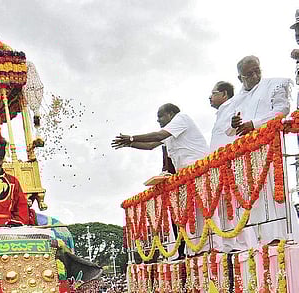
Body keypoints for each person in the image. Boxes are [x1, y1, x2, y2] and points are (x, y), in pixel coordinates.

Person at [112, 103, 210, 257]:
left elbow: (158, 136)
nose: (158, 120)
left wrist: (131, 137)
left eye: (160, 116)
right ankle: (195, 248)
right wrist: (130, 144)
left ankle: (209, 246)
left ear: (171, 114)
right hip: (185, 176)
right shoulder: (170, 132)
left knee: (203, 210)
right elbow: (151, 145)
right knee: (190, 214)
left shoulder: (181, 119)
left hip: (200, 170)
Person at [229, 55, 296, 245]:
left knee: (274, 189)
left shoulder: (275, 84)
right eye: (249, 74)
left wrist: (255, 124)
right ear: (240, 78)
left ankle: (281, 235)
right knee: (254, 195)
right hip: (247, 152)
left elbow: (282, 109)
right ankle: (262, 239)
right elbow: (231, 129)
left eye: (257, 70)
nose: (255, 76)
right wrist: (234, 124)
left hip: (269, 146)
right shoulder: (237, 99)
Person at [208, 81, 256, 252]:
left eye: (213, 93)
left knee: (237, 203)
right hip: (218, 166)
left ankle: (243, 245)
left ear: (224, 94)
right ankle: (229, 244)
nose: (209, 97)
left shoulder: (234, 105)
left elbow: (235, 130)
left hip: (232, 162)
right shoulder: (221, 112)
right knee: (223, 206)